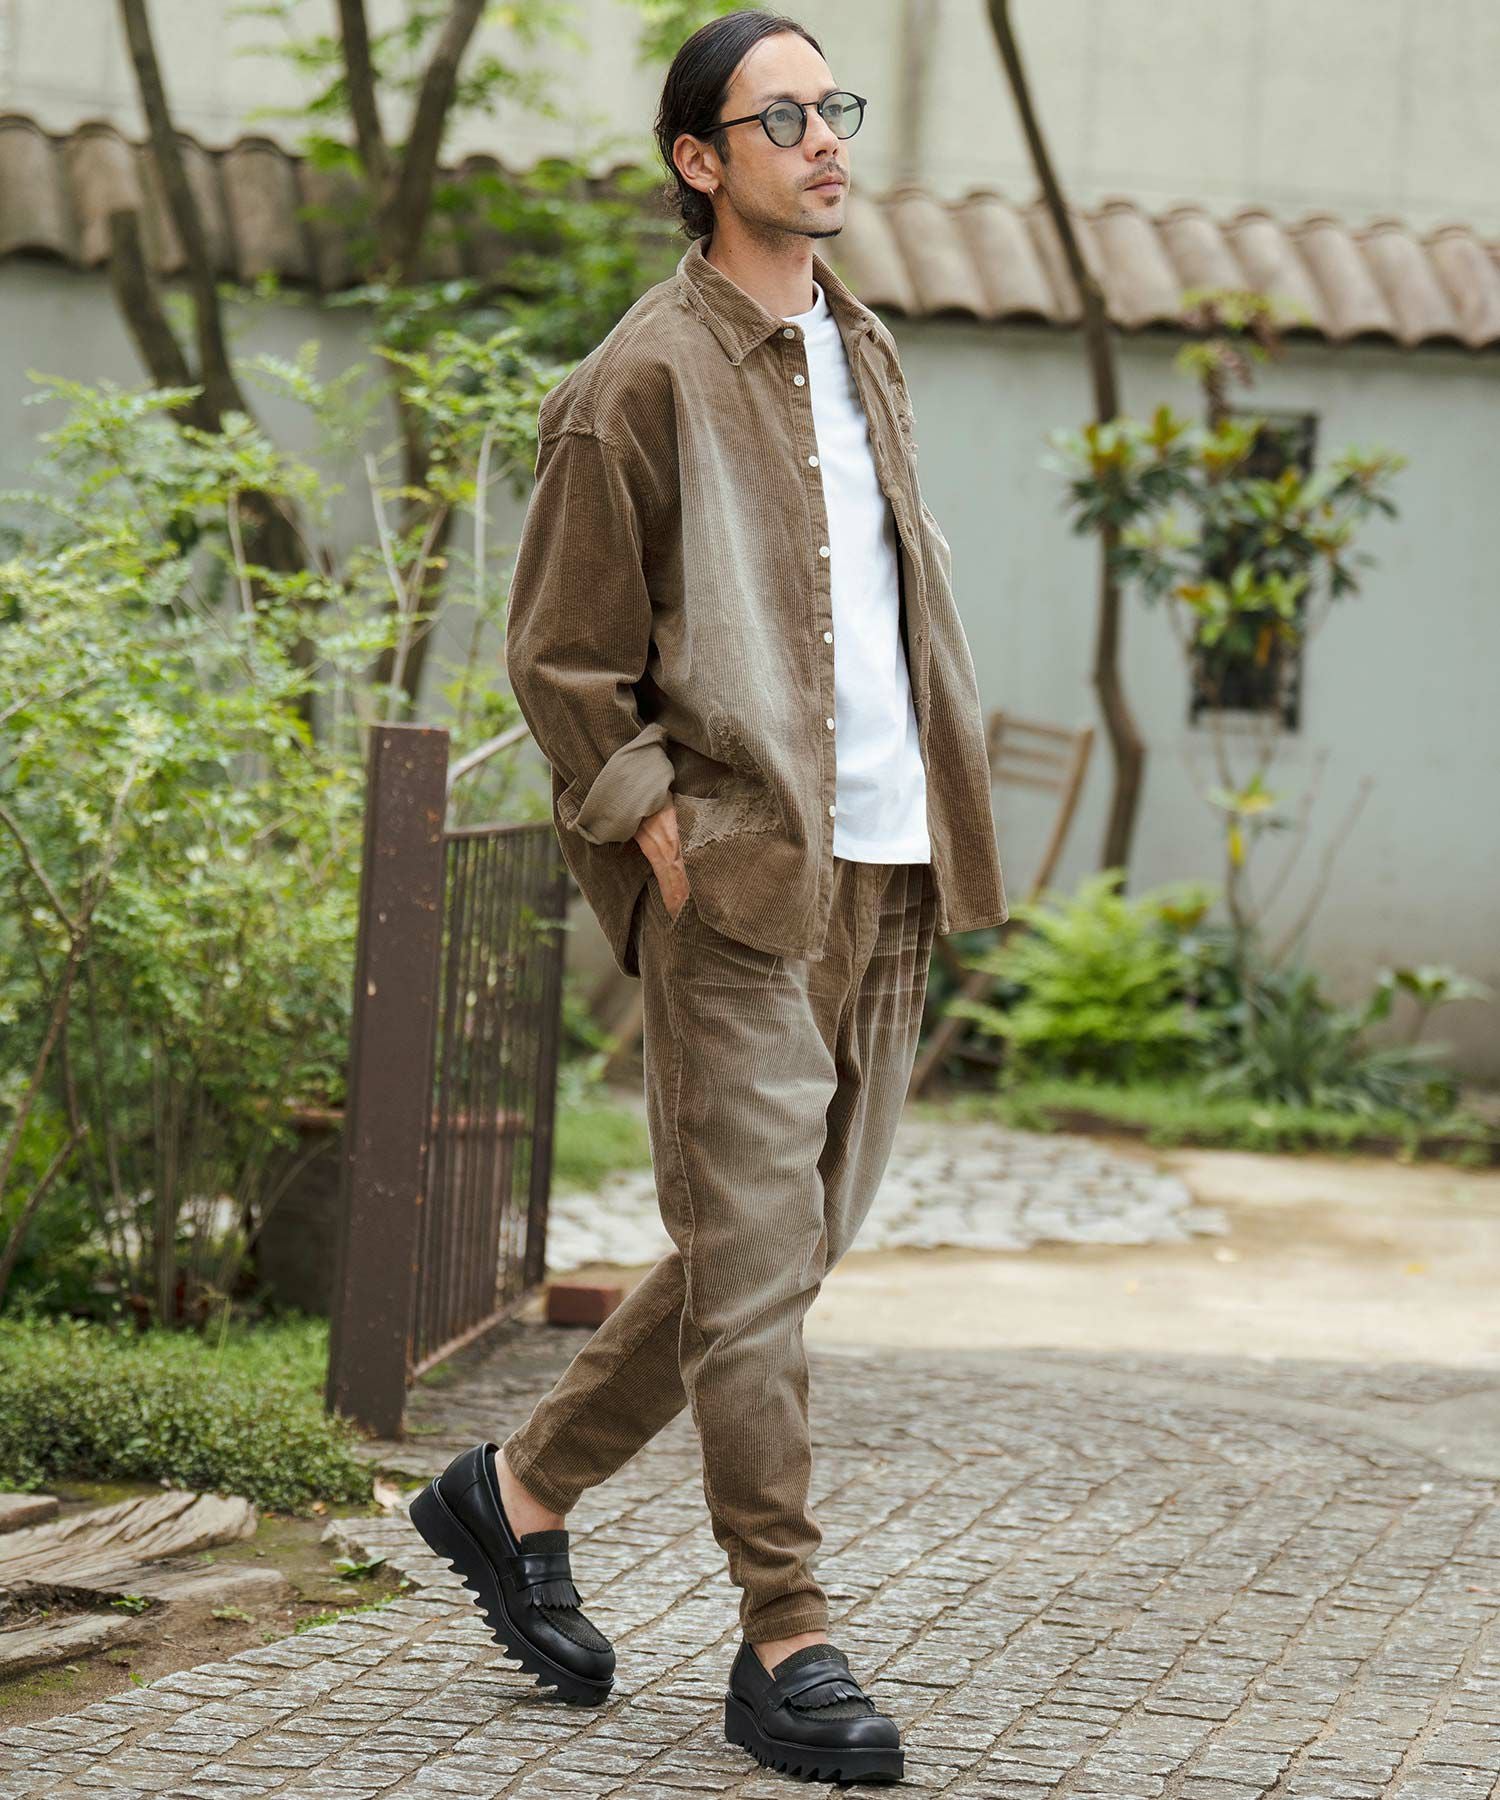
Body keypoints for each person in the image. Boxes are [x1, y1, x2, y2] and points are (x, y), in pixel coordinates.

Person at [408, 9, 1008, 1784]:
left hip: (887, 867)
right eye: (783, 117)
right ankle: (787, 1639)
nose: (826, 141)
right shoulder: (638, 380)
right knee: (757, 1285)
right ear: (699, 159)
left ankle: (516, 1492)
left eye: (836, 108)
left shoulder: (864, 346)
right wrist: (653, 824)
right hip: (739, 882)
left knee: (775, 1255)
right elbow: (560, 655)